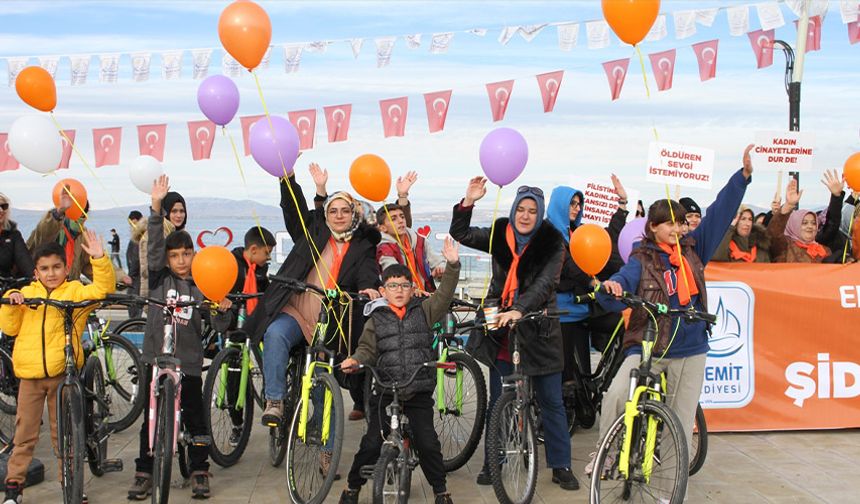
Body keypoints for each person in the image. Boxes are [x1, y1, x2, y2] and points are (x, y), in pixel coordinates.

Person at [587, 145, 753, 482]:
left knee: (679, 422)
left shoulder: (694, 249)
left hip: (691, 349)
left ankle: (670, 487)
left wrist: (742, 178)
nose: (678, 230)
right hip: (648, 346)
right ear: (653, 228)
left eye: (681, 224)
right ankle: (607, 451)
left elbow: (720, 213)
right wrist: (611, 290)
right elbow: (620, 284)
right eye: (670, 225)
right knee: (617, 395)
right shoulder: (642, 260)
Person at [449, 178, 578, 491]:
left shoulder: (553, 242)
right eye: (520, 209)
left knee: (551, 401)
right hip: (501, 329)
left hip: (539, 327)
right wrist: (468, 202)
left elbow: (545, 284)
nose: (524, 215)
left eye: (532, 211)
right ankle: (497, 460)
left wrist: (519, 308)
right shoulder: (499, 234)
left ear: (540, 214)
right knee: (499, 400)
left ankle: (560, 464)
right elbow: (461, 233)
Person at [243, 162, 380, 429]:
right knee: (275, 335)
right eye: (333, 210)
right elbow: (293, 212)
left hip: (330, 320)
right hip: (297, 308)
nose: (339, 215)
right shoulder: (313, 232)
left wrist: (369, 288)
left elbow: (367, 274)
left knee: (319, 376)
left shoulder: (363, 245)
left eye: (345, 210)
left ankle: (323, 441)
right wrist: (288, 179)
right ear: (325, 215)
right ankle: (275, 401)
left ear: (353, 214)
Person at [128, 175, 230, 500]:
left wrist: (223, 305)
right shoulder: (159, 279)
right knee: (151, 417)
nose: (182, 260)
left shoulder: (201, 284)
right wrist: (156, 208)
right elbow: (155, 243)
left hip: (187, 362)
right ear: (167, 259)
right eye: (176, 256)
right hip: (154, 359)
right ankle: (144, 471)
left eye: (187, 254)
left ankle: (200, 469)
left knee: (195, 414)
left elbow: (220, 320)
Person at [338, 238, 461, 504]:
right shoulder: (376, 318)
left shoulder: (424, 311)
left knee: (428, 443)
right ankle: (352, 487)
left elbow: (445, 295)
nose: (399, 290)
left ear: (413, 288)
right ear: (383, 290)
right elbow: (366, 349)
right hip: (385, 391)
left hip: (417, 391)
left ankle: (441, 491)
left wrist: (452, 265)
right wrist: (355, 361)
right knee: (371, 444)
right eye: (392, 286)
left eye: (404, 286)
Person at [1, 230, 115, 504]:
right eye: (44, 269)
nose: (51, 273)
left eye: (56, 267)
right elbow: (9, 326)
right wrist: (12, 299)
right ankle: (14, 489)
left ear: (66, 268)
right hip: (29, 377)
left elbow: (102, 290)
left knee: (63, 435)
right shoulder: (27, 294)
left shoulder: (74, 293)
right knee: (24, 435)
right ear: (36, 272)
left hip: (62, 375)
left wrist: (99, 258)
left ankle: (72, 484)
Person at [546, 175, 627, 387]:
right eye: (571, 204)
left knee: (621, 324)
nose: (576, 208)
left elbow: (606, 242)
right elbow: (571, 265)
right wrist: (596, 283)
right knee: (568, 379)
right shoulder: (549, 234)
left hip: (581, 307)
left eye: (579, 204)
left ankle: (606, 379)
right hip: (561, 312)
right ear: (559, 204)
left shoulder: (577, 232)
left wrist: (622, 206)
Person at [768, 172, 843, 263]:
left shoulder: (825, 251)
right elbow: (774, 232)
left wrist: (836, 197)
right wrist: (788, 205)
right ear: (794, 226)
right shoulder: (784, 247)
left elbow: (832, 225)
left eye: (813, 223)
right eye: (804, 223)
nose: (810, 226)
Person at [376, 203, 446, 293]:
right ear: (383, 228)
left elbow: (438, 261)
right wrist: (409, 287)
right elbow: (393, 273)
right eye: (393, 219)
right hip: (400, 298)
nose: (400, 221)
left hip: (425, 294)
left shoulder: (420, 241)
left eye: (402, 217)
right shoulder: (384, 249)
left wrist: (440, 269)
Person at [26, 189, 92, 281]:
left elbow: (90, 265)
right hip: (43, 287)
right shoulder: (51, 226)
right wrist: (58, 213)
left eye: (83, 210)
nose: (80, 215)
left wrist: (118, 277)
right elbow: (44, 236)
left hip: (69, 288)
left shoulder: (83, 235)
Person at [132, 189, 187, 297]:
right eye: (174, 211)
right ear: (165, 211)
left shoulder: (180, 234)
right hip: (158, 297)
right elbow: (148, 270)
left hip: (177, 295)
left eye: (182, 211)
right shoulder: (153, 236)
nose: (179, 215)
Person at [0, 193, 34, 280]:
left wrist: (36, 278)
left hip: (6, 287)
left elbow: (24, 260)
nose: (1, 210)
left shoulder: (13, 235)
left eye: (4, 206)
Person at [126, 211, 144, 318]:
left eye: (134, 223)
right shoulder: (136, 237)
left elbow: (136, 258)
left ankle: (135, 322)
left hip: (136, 275)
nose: (132, 226)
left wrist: (131, 274)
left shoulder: (139, 237)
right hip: (135, 274)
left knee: (134, 299)